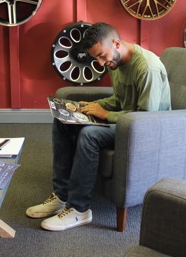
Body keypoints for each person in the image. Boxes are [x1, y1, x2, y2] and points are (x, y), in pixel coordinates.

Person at [26, 22, 171, 231]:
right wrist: (97, 106)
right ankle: (61, 196)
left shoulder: (147, 68)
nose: (102, 63)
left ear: (116, 43)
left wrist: (106, 114)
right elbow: (121, 99)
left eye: (102, 56)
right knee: (63, 122)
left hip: (145, 130)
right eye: (97, 59)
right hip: (125, 122)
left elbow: (146, 118)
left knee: (90, 134)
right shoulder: (115, 62)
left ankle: (79, 210)